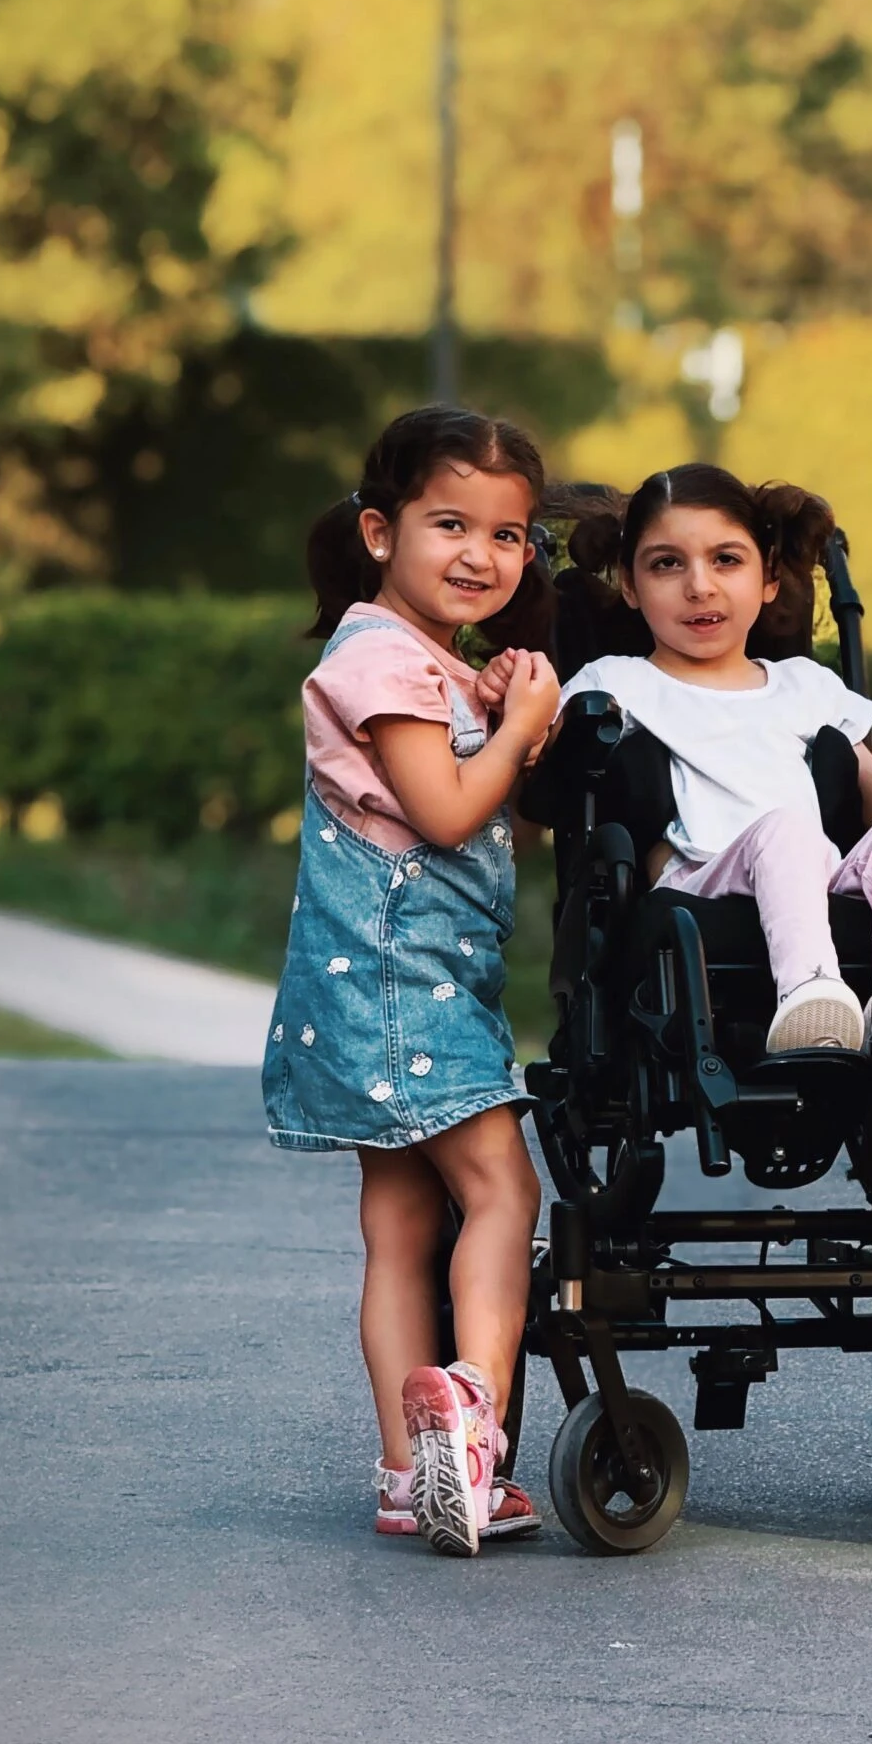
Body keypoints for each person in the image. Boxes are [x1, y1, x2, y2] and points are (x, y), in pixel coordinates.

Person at [263, 406, 559, 1558]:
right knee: (501, 1192)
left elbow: (454, 781)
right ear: (381, 531)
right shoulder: (382, 656)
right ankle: (473, 1416)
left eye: (509, 533)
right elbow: (442, 810)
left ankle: (406, 1467)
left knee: (396, 1222)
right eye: (451, 523)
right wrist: (525, 716)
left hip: (370, 989)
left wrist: (501, 710)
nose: (483, 554)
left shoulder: (421, 658)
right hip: (404, 986)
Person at [551, 463, 872, 1064]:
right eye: (666, 564)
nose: (699, 586)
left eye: (726, 559)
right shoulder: (616, 682)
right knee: (785, 830)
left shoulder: (808, 685)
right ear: (629, 584)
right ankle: (809, 991)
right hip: (699, 875)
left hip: (818, 869)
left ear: (769, 578)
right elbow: (546, 782)